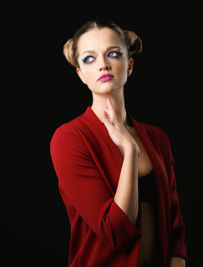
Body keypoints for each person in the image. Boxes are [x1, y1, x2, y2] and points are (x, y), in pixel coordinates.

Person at [50, 19, 187, 267]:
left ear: (129, 65)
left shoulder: (157, 138)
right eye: (89, 58)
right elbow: (115, 230)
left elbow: (175, 228)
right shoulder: (69, 138)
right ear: (80, 74)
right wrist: (130, 151)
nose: (103, 65)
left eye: (113, 54)